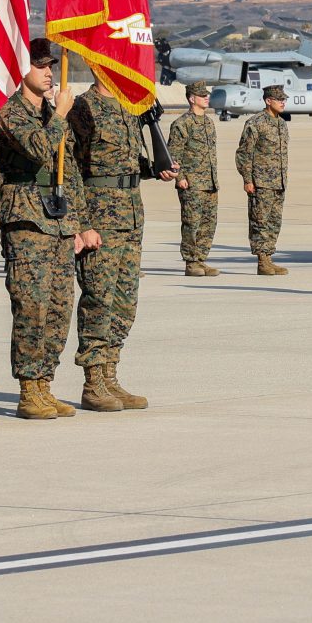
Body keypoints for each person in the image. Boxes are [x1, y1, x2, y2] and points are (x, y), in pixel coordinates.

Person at [68, 59, 167, 411]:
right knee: (99, 298)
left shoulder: (128, 108)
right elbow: (71, 169)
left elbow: (126, 159)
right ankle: (93, 381)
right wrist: (81, 223)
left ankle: (111, 375)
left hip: (130, 213)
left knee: (125, 300)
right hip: (100, 216)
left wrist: (155, 167)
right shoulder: (82, 107)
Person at [0, 38, 85, 419]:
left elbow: (72, 170)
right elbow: (37, 149)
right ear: (21, 71)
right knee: (31, 307)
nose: (49, 73)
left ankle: (45, 384)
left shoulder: (51, 111)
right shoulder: (11, 113)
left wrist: (79, 223)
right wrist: (61, 116)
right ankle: (28, 389)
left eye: (51, 66)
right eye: (40, 66)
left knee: (59, 308)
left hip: (60, 222)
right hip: (28, 221)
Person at [235, 83, 291, 275]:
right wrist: (247, 179)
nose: (283, 102)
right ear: (268, 101)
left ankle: (269, 256)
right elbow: (244, 153)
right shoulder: (255, 123)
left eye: (284, 99)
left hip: (278, 182)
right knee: (260, 221)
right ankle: (262, 260)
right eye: (279, 99)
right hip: (261, 182)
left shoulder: (281, 124)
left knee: (274, 221)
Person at [171, 82, 221, 276]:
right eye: (202, 96)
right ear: (192, 99)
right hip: (192, 183)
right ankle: (191, 262)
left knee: (208, 223)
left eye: (206, 95)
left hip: (210, 182)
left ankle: (201, 259)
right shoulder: (182, 124)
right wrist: (180, 178)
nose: (206, 98)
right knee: (192, 223)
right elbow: (173, 154)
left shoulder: (209, 123)